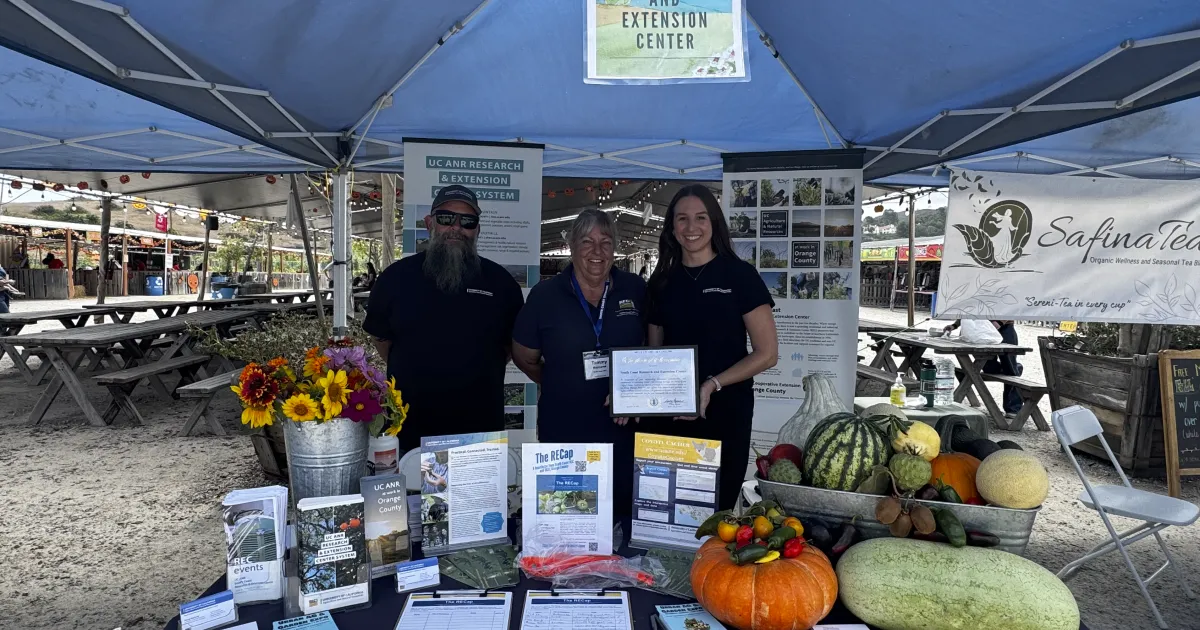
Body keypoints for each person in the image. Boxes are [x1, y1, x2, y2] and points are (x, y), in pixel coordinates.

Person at [512, 209, 647, 537]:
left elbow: (653, 352)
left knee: (620, 521)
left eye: (606, 242)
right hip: (564, 429)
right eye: (587, 242)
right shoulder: (545, 296)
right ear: (571, 246)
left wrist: (632, 392)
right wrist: (558, 381)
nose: (597, 251)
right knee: (567, 521)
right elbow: (524, 356)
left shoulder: (635, 289)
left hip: (622, 431)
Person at [645, 184, 779, 511]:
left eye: (701, 217)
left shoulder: (740, 276)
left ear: (714, 222)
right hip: (672, 416)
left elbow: (767, 354)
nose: (691, 227)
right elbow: (653, 356)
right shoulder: (661, 283)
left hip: (726, 412)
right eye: (682, 218)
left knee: (716, 512)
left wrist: (711, 385)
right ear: (672, 227)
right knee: (670, 509)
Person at [364, 185, 523, 451]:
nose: (456, 228)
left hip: (479, 431)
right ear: (430, 223)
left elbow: (509, 347)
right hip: (409, 429)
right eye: (446, 218)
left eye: (467, 221)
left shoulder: (502, 283)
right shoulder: (395, 278)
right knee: (408, 480)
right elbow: (382, 341)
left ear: (477, 229)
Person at [944, 319, 1022, 418]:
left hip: (1004, 328)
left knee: (1010, 369)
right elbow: (968, 310)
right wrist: (955, 325)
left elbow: (1011, 309)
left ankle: (1013, 408)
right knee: (988, 368)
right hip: (980, 328)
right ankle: (1017, 367)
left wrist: (1000, 322)